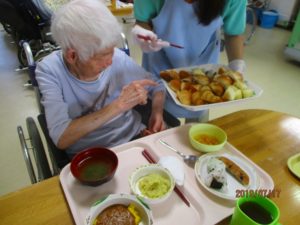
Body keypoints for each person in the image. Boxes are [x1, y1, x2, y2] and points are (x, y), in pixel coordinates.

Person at [35, 0, 166, 158]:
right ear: (72, 56)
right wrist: (118, 105)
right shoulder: (50, 70)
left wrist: (156, 113)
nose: (110, 61)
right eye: (102, 56)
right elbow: (61, 138)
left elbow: (157, 85)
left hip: (135, 140)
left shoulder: (116, 57)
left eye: (112, 50)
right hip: (90, 155)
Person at [132, 0, 247, 122]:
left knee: (197, 124)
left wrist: (237, 65)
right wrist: (142, 33)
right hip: (159, 61)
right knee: (158, 120)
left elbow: (234, 33)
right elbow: (142, 21)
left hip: (204, 66)